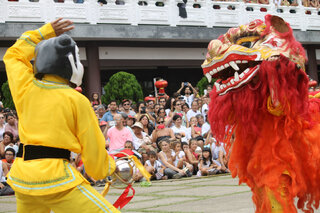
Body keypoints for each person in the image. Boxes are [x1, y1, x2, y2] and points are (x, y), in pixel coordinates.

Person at [3, 18, 119, 212]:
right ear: (69, 63)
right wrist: (107, 169)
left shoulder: (25, 87)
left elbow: (13, 55)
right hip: (57, 178)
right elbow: (92, 145)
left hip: (23, 176)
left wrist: (44, 33)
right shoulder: (76, 99)